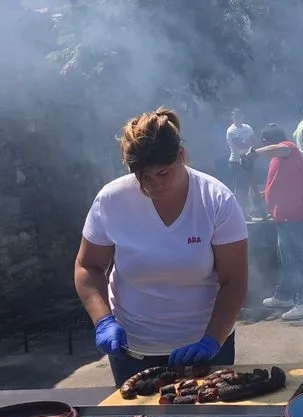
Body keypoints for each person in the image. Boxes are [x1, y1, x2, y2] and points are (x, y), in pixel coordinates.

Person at [74, 107, 248, 387]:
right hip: (132, 354)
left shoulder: (216, 200)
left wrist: (212, 339)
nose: (154, 185)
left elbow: (234, 281)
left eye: (163, 173)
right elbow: (88, 266)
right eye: (143, 177)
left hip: (205, 348)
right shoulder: (111, 200)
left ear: (181, 156)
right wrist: (103, 320)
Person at [244, 123, 303, 321]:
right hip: (285, 216)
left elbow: (280, 149)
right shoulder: (280, 160)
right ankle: (284, 296)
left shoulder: (289, 149)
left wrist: (254, 153)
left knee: (294, 259)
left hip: (297, 216)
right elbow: (282, 184)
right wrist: (265, 194)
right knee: (285, 258)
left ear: (268, 142)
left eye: (265, 145)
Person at [225, 108, 260, 217]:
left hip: (248, 159)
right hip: (236, 161)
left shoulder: (247, 127)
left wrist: (248, 142)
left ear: (242, 116)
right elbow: (241, 145)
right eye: (235, 116)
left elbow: (254, 141)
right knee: (239, 189)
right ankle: (237, 213)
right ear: (233, 117)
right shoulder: (231, 131)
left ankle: (249, 210)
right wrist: (247, 142)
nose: (237, 118)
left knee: (250, 186)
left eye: (239, 115)